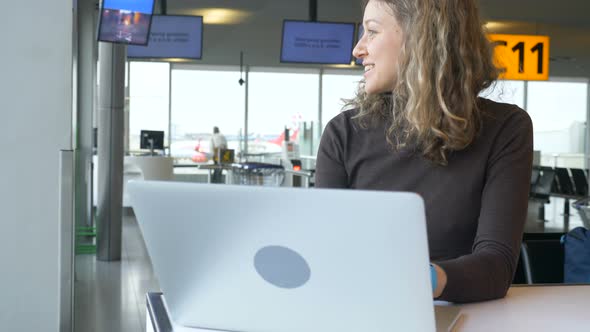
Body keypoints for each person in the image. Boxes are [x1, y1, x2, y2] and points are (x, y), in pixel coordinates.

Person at [315, 0, 533, 303]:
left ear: (420, 37)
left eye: (371, 32)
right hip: (359, 311)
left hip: (457, 315)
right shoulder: (343, 134)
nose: (358, 49)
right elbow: (324, 255)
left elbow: (496, 266)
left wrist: (420, 280)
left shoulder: (506, 128)